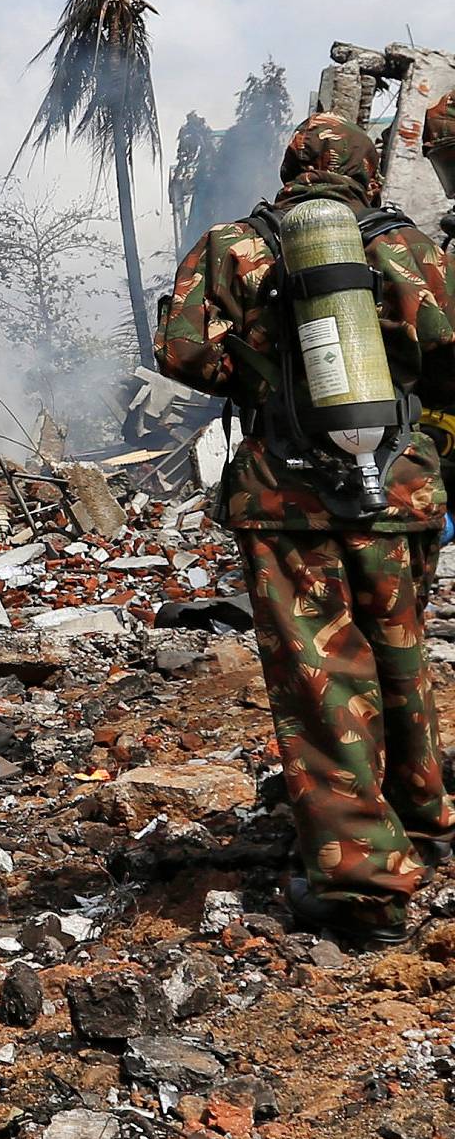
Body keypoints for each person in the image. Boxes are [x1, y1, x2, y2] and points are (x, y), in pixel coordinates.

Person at [156, 110, 455, 947]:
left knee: (323, 679)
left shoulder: (236, 246)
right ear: (366, 175)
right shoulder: (405, 245)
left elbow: (181, 353)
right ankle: (420, 821)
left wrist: (259, 368)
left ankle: (360, 884)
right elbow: (450, 355)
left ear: (291, 167)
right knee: (400, 653)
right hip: (397, 489)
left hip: (285, 497)